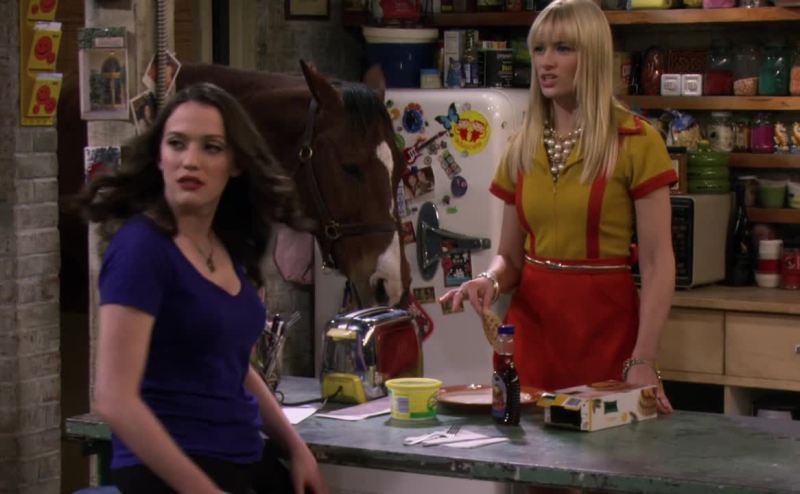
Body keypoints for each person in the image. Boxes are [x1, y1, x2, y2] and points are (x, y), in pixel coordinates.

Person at [78, 82, 329, 494]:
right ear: (159, 157)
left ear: (236, 164)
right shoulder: (141, 249)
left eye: (211, 147)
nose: (190, 161)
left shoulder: (224, 243)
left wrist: (296, 447)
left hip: (242, 456)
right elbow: (114, 399)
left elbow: (234, 365)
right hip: (169, 470)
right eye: (177, 144)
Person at [440, 0, 675, 415]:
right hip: (532, 338)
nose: (546, 62)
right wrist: (488, 280)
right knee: (528, 451)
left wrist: (644, 358)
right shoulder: (521, 146)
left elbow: (657, 263)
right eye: (539, 49)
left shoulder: (638, 142)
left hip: (606, 334)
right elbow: (510, 257)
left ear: (594, 56)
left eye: (563, 49)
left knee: (606, 451)